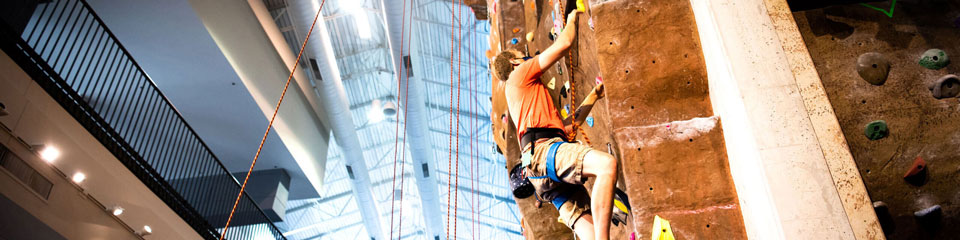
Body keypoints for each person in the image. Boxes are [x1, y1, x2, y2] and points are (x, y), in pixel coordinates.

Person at [491, 10, 618, 240]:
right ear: (513, 62)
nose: (526, 57)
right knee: (606, 166)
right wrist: (570, 20)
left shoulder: (526, 105)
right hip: (543, 154)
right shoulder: (518, 75)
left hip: (541, 173)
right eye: (522, 55)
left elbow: (570, 126)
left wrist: (593, 95)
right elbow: (564, 44)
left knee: (589, 232)